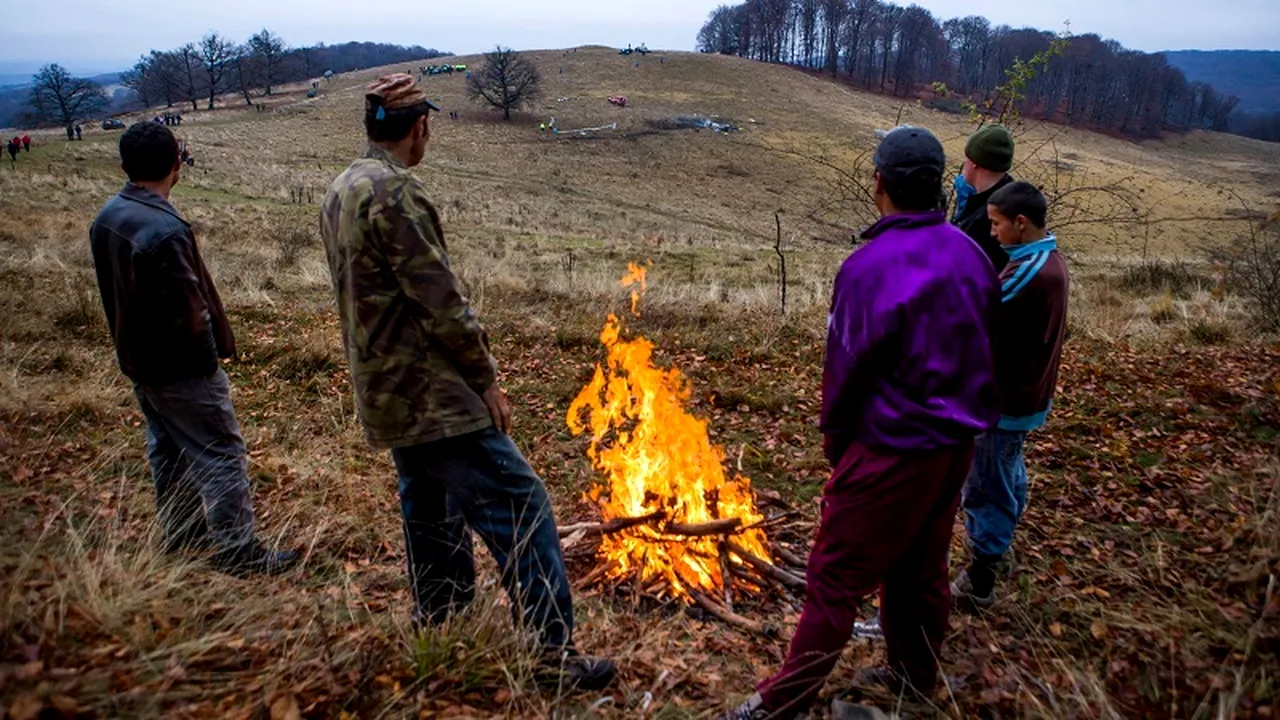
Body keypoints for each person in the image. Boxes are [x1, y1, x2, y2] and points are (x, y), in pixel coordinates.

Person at [318, 74, 616, 690]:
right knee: (522, 503)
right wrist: (486, 380)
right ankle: (550, 659)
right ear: (419, 125)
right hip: (432, 393)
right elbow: (442, 303)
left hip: (383, 391)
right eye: (427, 123)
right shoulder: (396, 194)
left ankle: (442, 623)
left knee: (430, 509)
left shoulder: (342, 188)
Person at [717, 126, 1000, 720]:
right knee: (922, 568)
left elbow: (845, 372)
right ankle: (913, 677)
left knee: (835, 576)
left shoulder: (868, 268)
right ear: (937, 185)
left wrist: (839, 445)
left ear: (879, 183)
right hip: (956, 448)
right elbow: (988, 346)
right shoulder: (972, 254)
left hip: (892, 449)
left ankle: (781, 702)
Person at [89, 122, 299, 576]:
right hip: (180, 368)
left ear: (124, 165)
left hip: (140, 362)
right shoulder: (163, 230)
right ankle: (238, 550)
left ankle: (183, 536)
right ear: (176, 163)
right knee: (221, 451)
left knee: (168, 450)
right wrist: (208, 366)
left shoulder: (108, 216)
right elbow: (191, 311)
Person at [954, 182, 1069, 608]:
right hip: (1025, 395)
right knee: (1007, 470)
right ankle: (1001, 544)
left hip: (1005, 402)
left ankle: (982, 575)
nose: (992, 233)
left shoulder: (1027, 271)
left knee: (986, 483)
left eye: (996, 223)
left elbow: (974, 310)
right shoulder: (1048, 258)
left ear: (1021, 223)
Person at [953, 124, 1016, 273]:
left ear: (975, 163)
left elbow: (963, 273)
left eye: (966, 158)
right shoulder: (1010, 197)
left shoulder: (988, 217)